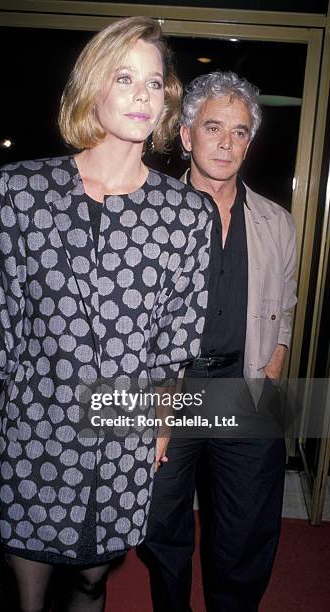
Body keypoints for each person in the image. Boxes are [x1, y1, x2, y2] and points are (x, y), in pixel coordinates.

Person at [0, 17, 212, 612]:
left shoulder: (186, 215)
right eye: (124, 76)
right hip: (34, 429)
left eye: (155, 81)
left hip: (123, 438)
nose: (143, 93)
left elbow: (176, 339)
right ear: (93, 88)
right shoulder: (22, 191)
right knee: (25, 589)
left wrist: (162, 424)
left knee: (92, 580)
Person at [140, 71, 298, 611]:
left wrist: (273, 363)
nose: (226, 142)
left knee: (246, 531)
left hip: (243, 386)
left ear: (250, 141)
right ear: (187, 136)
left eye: (239, 131)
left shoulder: (277, 223)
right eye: (213, 127)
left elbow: (288, 301)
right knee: (161, 524)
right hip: (171, 392)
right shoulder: (149, 217)